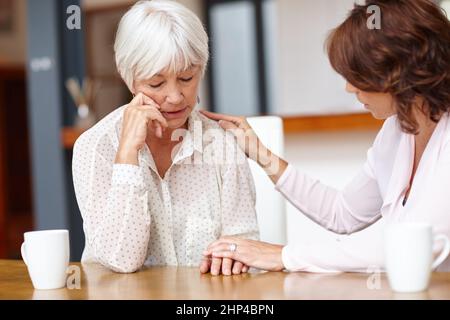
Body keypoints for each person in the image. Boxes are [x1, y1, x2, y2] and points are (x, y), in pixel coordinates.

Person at [201, 0, 450, 273]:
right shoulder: (397, 130)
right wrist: (261, 153)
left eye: (358, 75)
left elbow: (414, 245)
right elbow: (340, 213)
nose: (348, 87)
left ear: (399, 73)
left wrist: (284, 255)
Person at [72, 0, 259, 274]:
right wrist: (127, 157)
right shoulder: (96, 147)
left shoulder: (221, 144)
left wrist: (235, 258)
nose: (174, 97)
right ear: (130, 79)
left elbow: (245, 248)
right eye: (156, 83)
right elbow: (120, 261)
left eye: (186, 78)